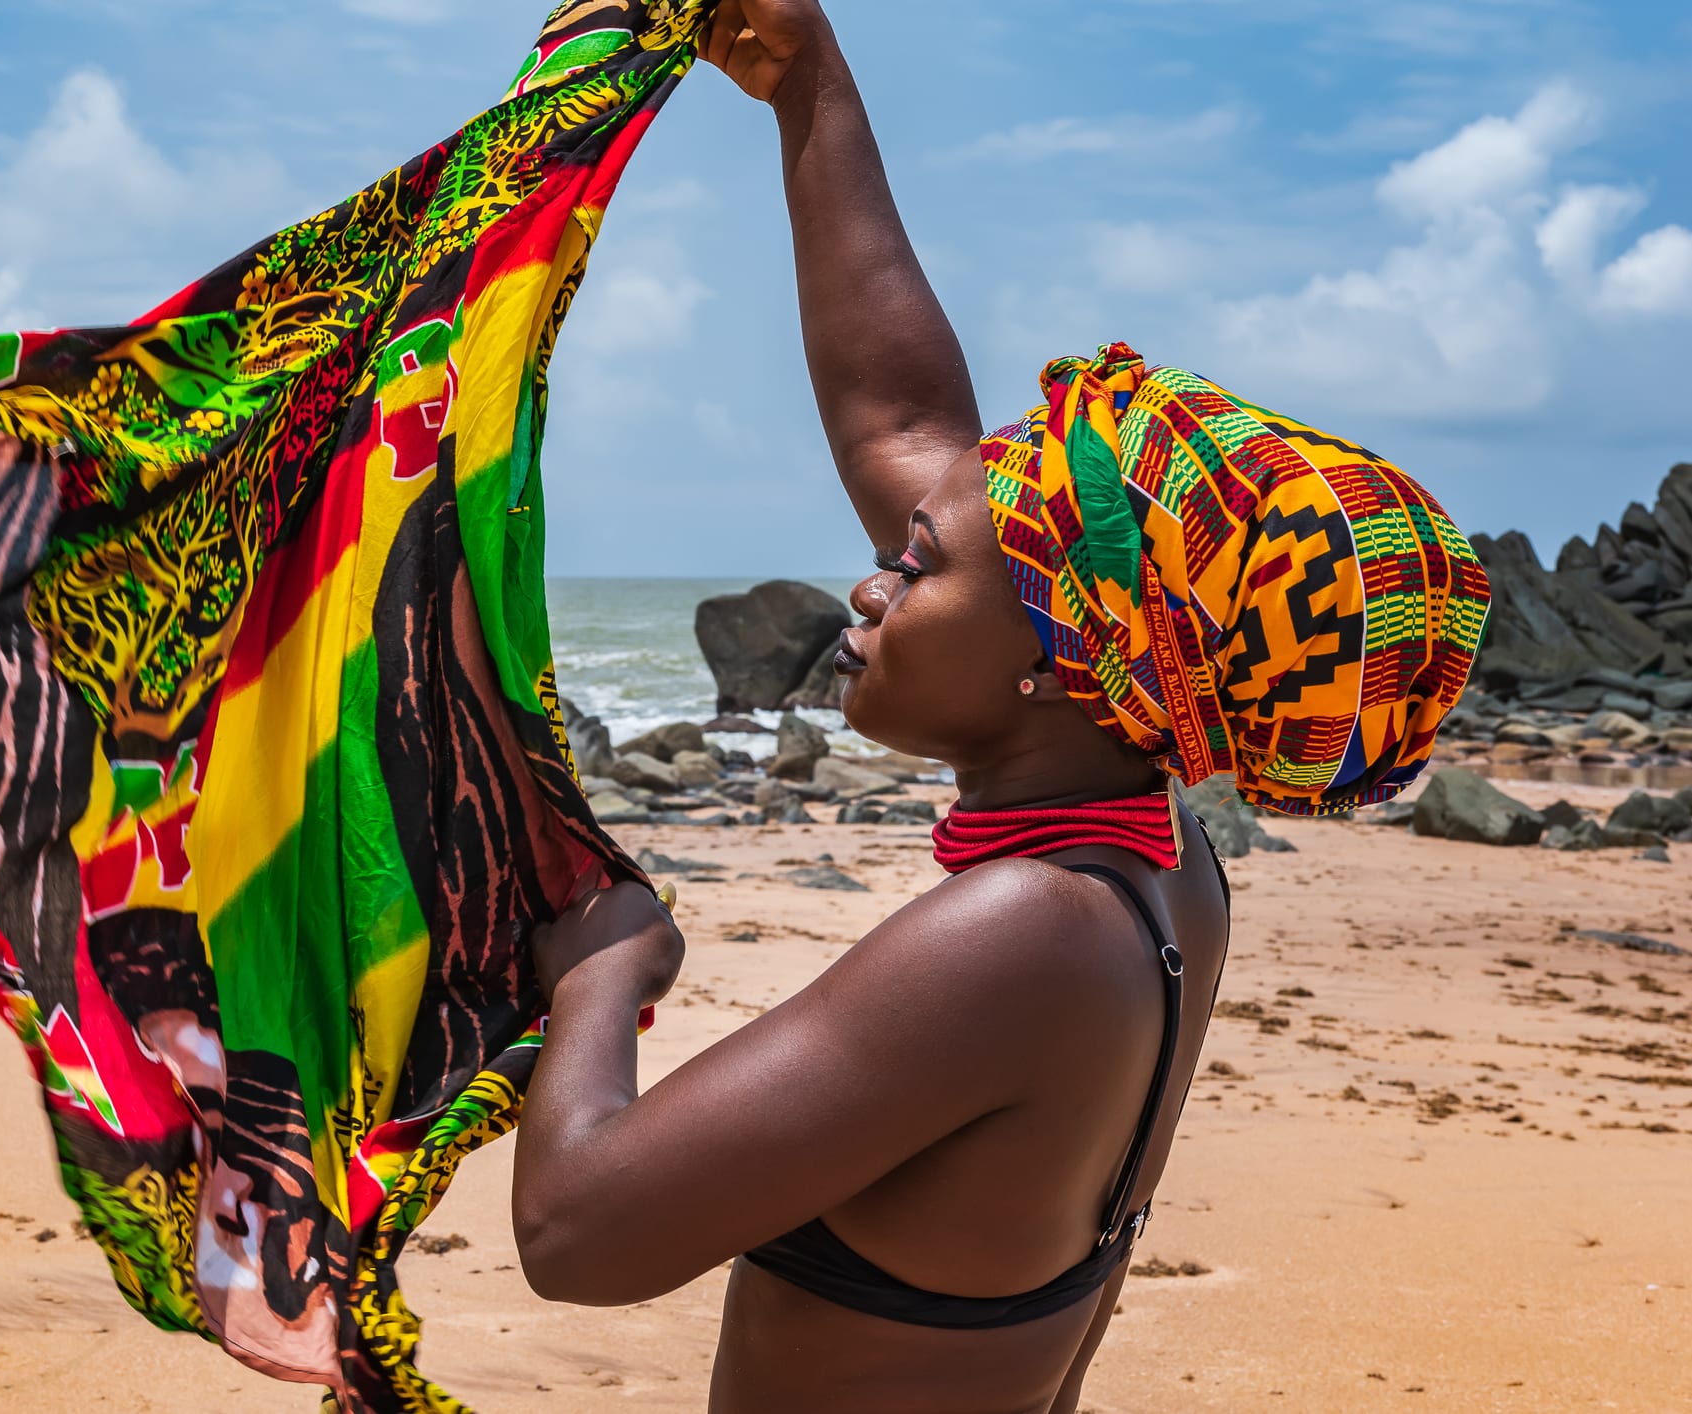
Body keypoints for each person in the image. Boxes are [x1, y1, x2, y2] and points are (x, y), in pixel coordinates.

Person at [511, 3, 1488, 1411]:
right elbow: (898, 423)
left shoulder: (1020, 934)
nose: (868, 585)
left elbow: (577, 1233)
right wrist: (807, 89)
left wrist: (602, 964)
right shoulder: (1151, 865)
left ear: (1064, 657)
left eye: (914, 567)